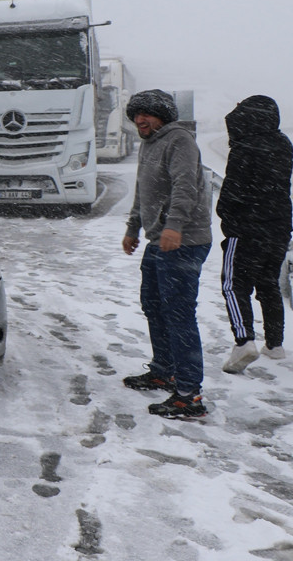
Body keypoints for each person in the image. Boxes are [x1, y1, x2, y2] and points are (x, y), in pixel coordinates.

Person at [120, 89, 213, 419]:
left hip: (183, 241)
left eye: (146, 114)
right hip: (159, 240)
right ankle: (164, 371)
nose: (140, 120)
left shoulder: (179, 140)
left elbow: (185, 186)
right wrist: (133, 227)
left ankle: (189, 394)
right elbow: (143, 190)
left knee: (179, 315)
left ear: (163, 116)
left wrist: (175, 226)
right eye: (136, 115)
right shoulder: (149, 143)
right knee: (154, 306)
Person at [216, 95, 292, 372]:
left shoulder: (245, 146)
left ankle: (244, 341)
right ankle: (274, 344)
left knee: (233, 285)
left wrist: (225, 214)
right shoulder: (283, 143)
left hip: (247, 227)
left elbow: (232, 191)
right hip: (278, 226)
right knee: (268, 284)